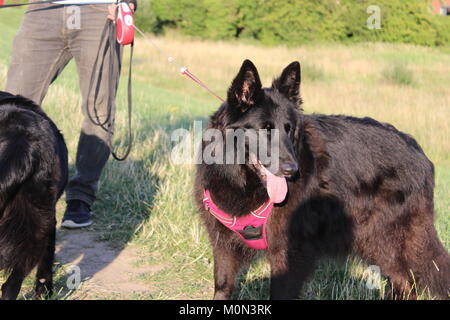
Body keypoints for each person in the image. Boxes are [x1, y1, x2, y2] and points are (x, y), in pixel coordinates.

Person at [5, 0, 137, 228]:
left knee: (99, 110)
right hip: (42, 9)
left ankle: (81, 197)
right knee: (12, 109)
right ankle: (11, 190)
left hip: (100, 12)